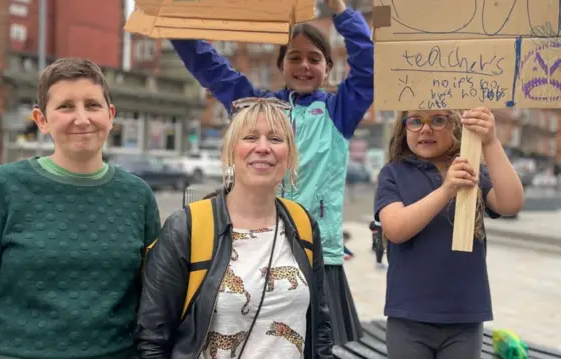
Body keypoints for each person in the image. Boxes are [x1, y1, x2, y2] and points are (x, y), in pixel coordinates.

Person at [170, 0, 373, 343]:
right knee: (256, 341)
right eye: (294, 57)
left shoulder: (340, 111)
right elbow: (209, 66)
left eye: (314, 59)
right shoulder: (257, 106)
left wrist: (340, 9)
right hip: (257, 245)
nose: (304, 65)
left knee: (316, 346)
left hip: (318, 252)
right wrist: (175, 19)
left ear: (328, 69)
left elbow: (369, 65)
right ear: (280, 65)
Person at [0, 58, 161, 359]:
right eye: (66, 106)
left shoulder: (138, 196)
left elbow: (153, 300)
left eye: (92, 105)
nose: (82, 118)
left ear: (110, 115)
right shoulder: (3, 188)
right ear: (41, 120)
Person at [136, 98, 333, 359]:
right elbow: (151, 340)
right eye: (250, 137)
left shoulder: (303, 225)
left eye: (275, 139)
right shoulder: (187, 228)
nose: (263, 148)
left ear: (290, 155)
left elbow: (320, 328)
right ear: (231, 151)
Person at [374, 108, 524, 359]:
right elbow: (396, 229)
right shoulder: (393, 173)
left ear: (455, 125)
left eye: (438, 119)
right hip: (409, 317)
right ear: (403, 127)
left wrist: (491, 141)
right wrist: (447, 190)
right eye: (415, 121)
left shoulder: (471, 168)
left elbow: (511, 203)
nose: (425, 128)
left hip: (465, 318)